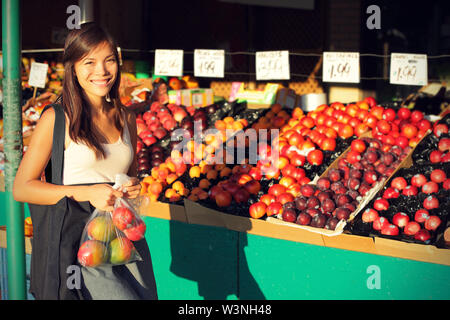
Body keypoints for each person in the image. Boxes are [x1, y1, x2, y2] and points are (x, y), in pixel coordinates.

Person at [13, 23, 157, 300]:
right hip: (78, 247)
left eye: (109, 61)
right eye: (89, 62)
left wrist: (133, 186)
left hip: (124, 241)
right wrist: (87, 192)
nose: (101, 71)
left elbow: (128, 173)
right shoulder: (57, 119)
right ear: (73, 67)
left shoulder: (126, 117)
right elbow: (22, 187)